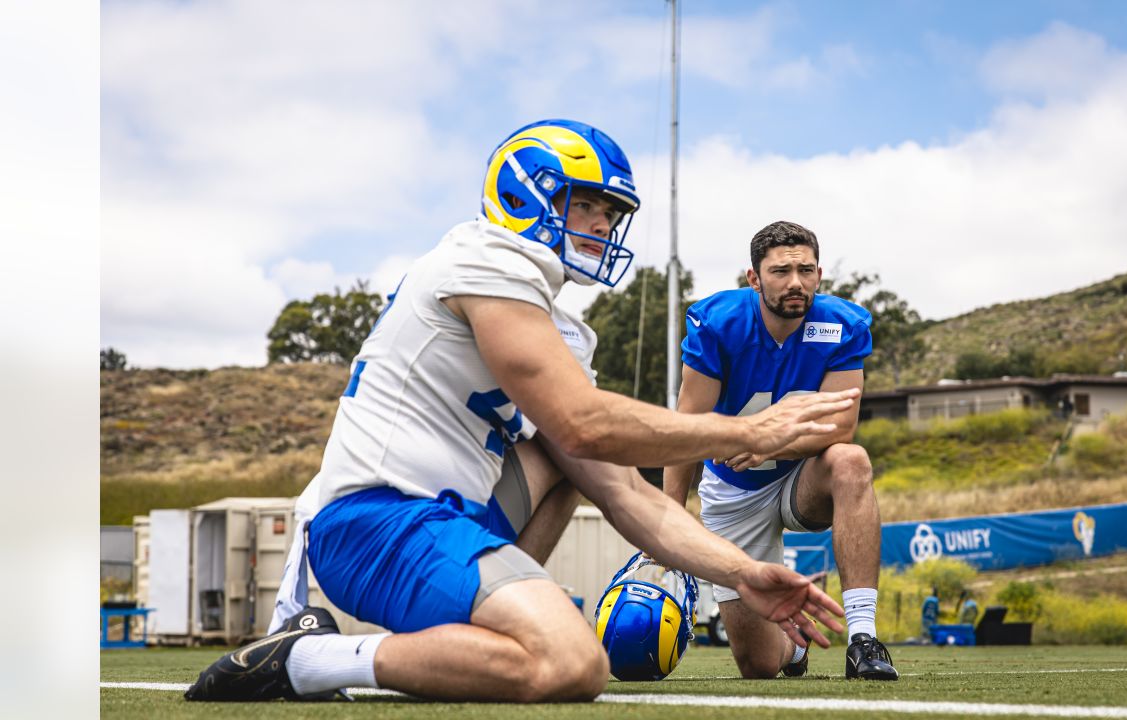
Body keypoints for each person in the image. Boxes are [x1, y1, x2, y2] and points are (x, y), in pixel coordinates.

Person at [185, 120, 855, 704]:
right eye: (587, 204)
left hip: (449, 514)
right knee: (570, 661)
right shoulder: (483, 260)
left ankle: (469, 626)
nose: (603, 224)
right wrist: (746, 430)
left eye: (611, 213)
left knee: (580, 468)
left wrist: (743, 573)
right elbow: (584, 422)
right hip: (380, 519)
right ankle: (304, 658)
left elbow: (630, 496)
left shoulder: (553, 322)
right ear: (524, 194)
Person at [662, 220, 899, 681]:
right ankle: (793, 649)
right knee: (758, 666)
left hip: (801, 477)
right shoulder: (720, 324)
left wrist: (768, 440)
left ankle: (863, 638)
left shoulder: (841, 325)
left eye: (806, 270)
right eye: (780, 271)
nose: (795, 282)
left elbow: (841, 425)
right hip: (734, 488)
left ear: (819, 273)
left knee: (851, 460)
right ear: (754, 278)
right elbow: (687, 429)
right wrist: (666, 521)